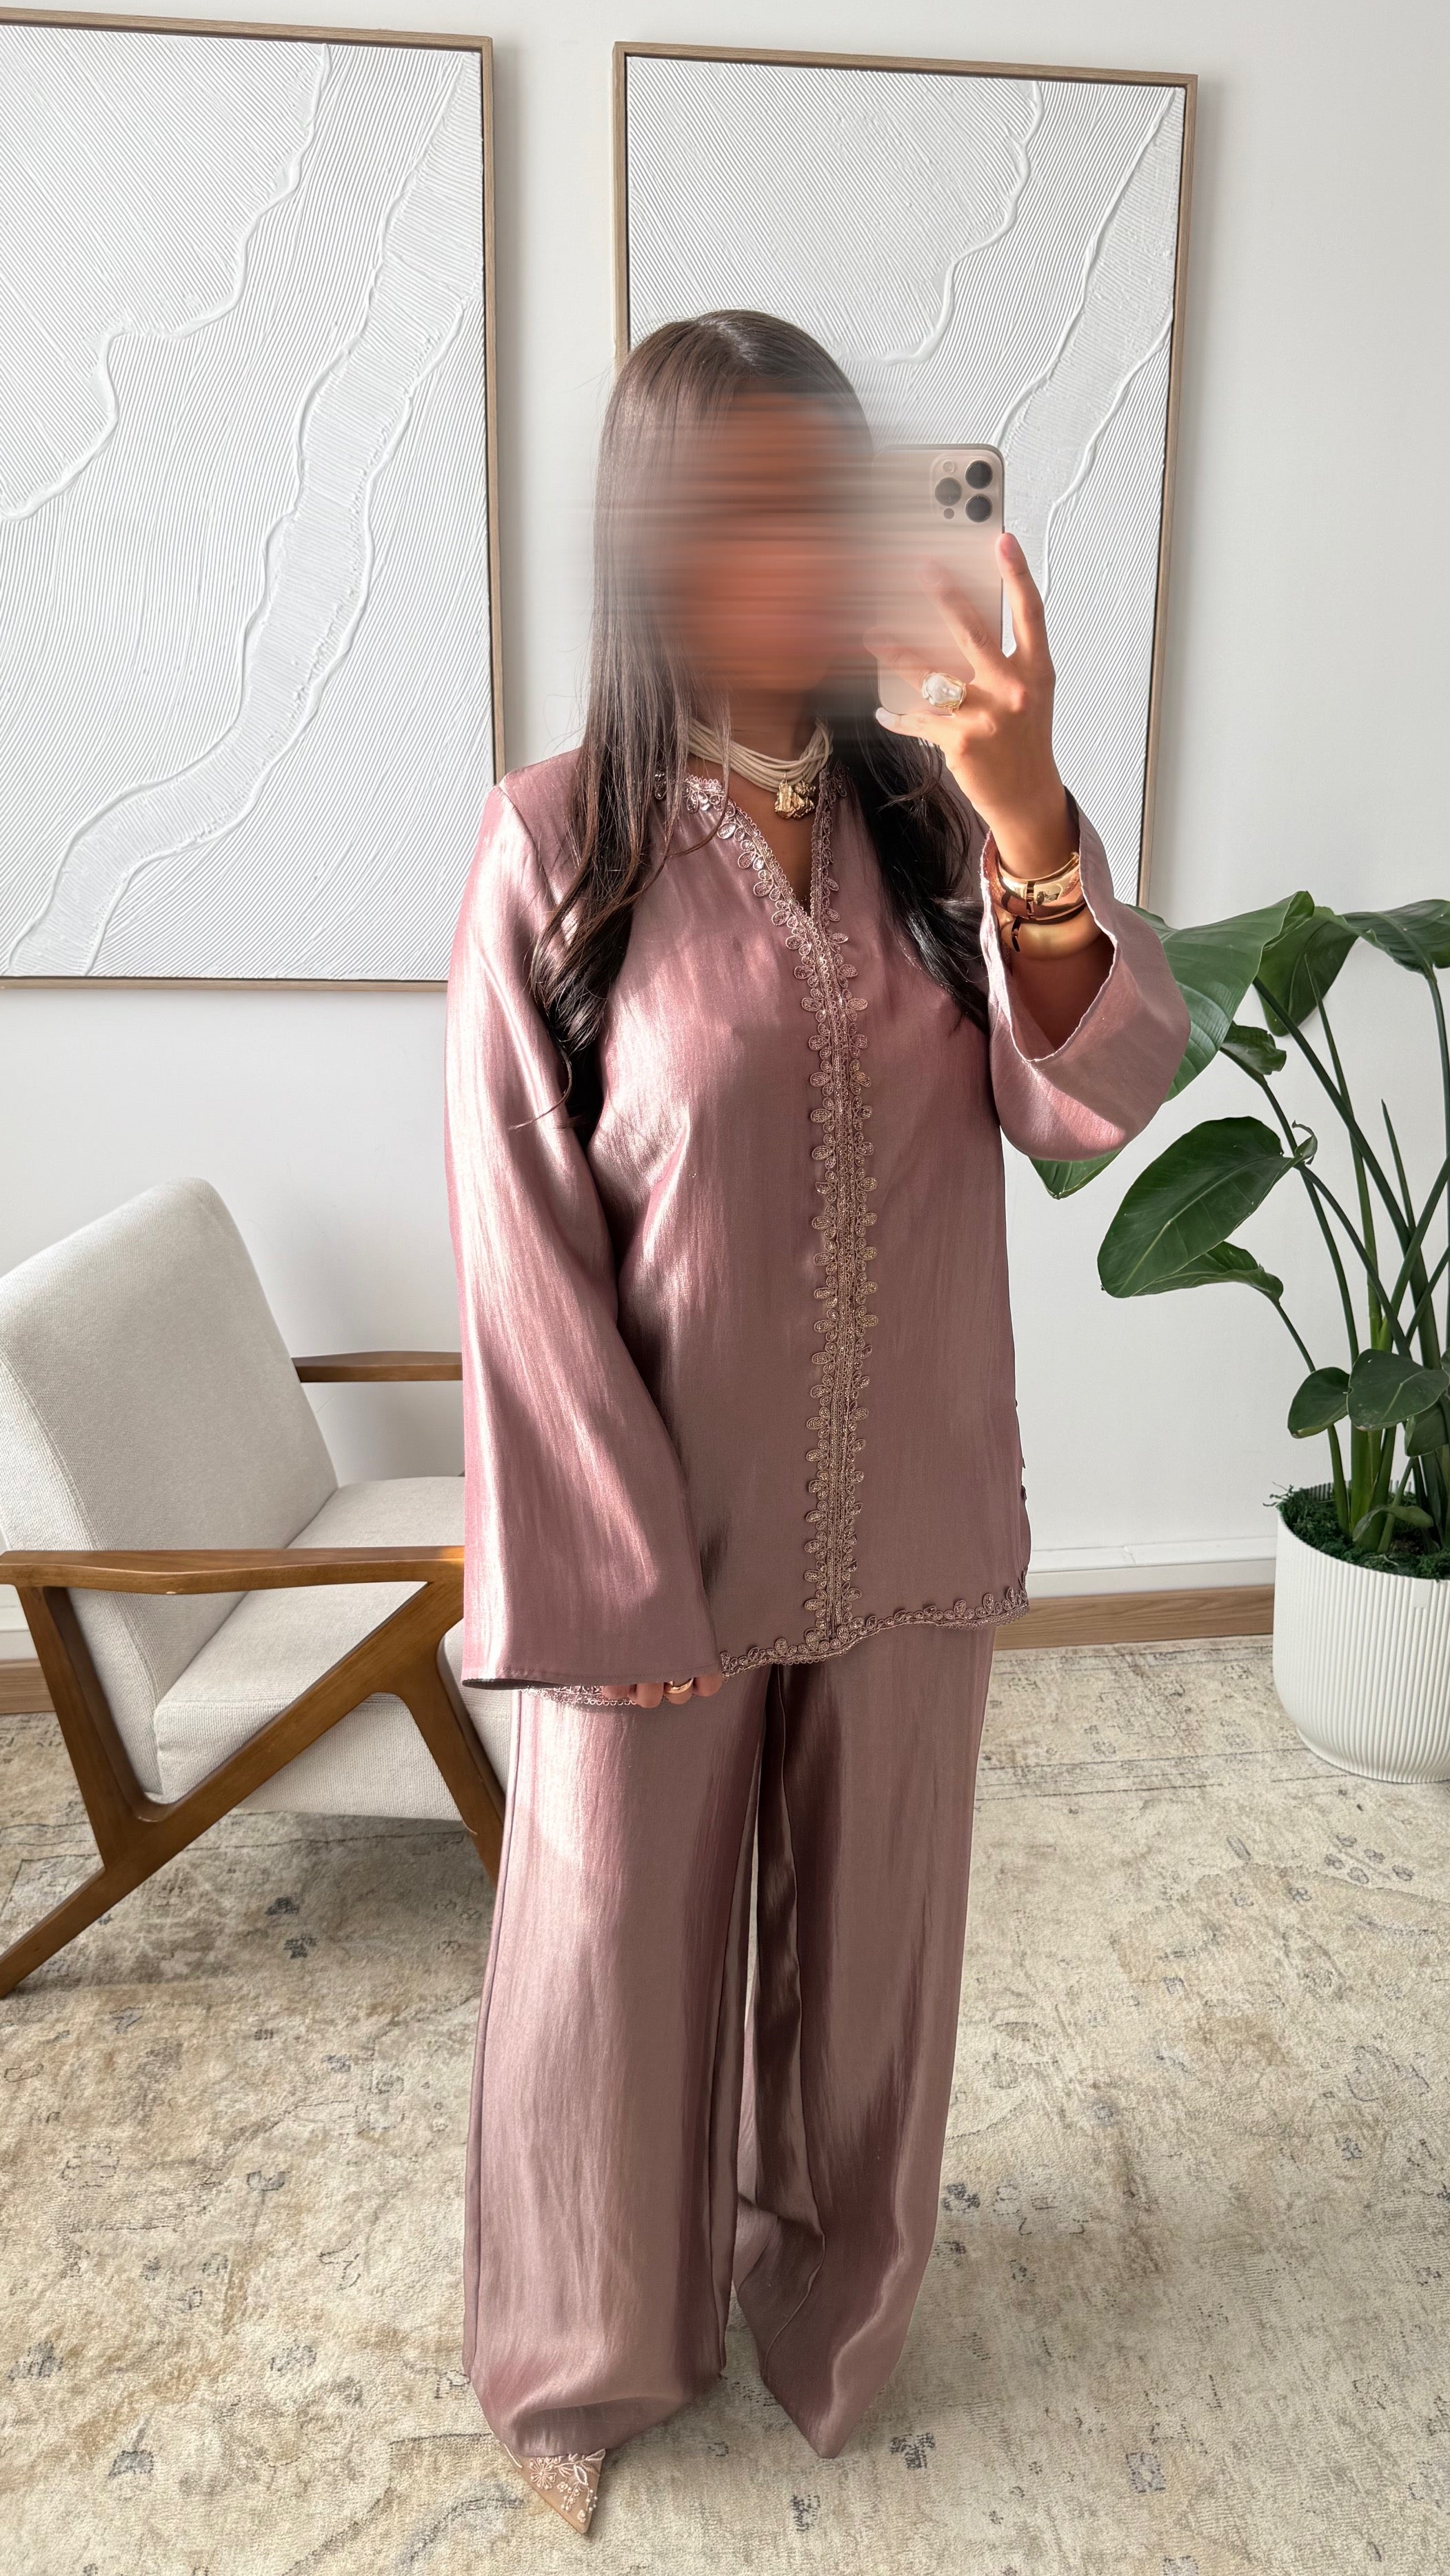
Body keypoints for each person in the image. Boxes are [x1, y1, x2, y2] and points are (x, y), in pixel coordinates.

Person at [445, 310, 1188, 2535]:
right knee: (607, 1966)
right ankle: (588, 2349)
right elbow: (518, 1233)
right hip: (657, 1539)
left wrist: (1030, 808)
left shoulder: (939, 823)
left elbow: (1093, 1101)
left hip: (911, 1506)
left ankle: (837, 2306)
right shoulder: (554, 841)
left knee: (873, 1961)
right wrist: (608, 1573)